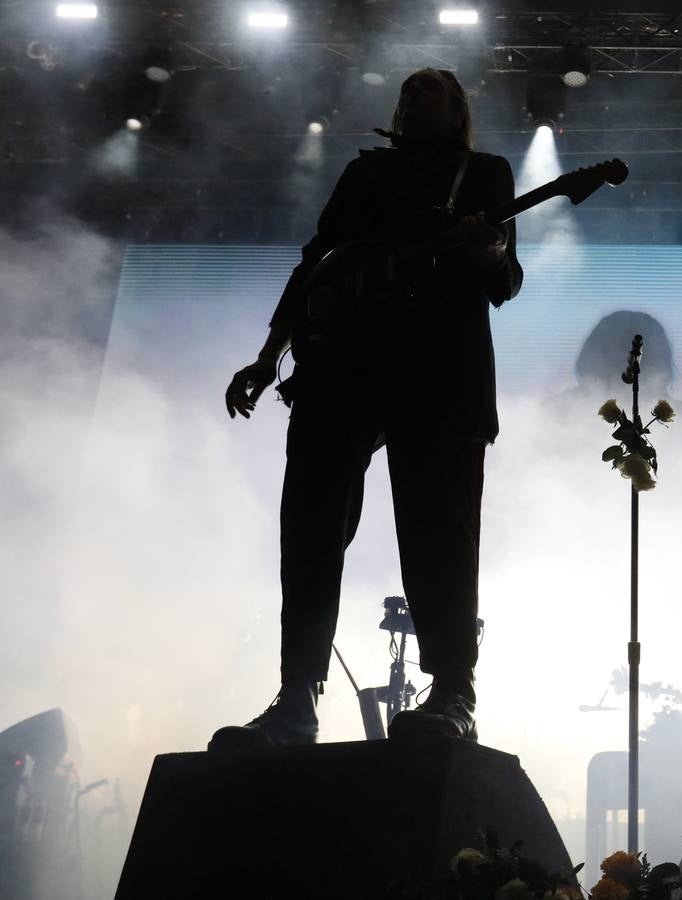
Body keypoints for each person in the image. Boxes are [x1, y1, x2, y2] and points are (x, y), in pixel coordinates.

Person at [210, 68, 522, 750]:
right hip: (342, 366)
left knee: (440, 531)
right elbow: (316, 264)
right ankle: (296, 698)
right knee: (310, 527)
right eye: (408, 95)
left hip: (439, 368)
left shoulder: (484, 173)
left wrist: (489, 244)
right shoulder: (366, 175)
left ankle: (453, 693)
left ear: (456, 112)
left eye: (432, 95)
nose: (415, 103)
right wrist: (270, 354)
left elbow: (504, 278)